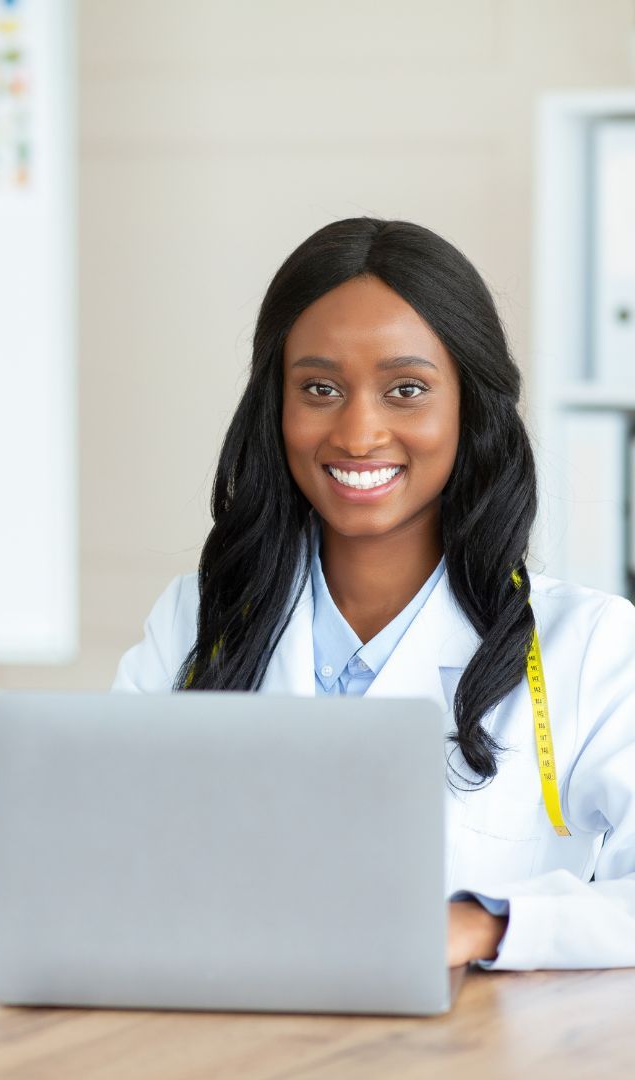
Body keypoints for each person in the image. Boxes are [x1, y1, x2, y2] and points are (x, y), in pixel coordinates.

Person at [112, 217, 635, 971]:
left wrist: (485, 925)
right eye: (319, 388)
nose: (358, 434)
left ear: (469, 407)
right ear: (275, 405)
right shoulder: (197, 620)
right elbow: (102, 854)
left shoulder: (589, 646)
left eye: (406, 390)